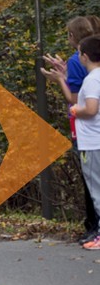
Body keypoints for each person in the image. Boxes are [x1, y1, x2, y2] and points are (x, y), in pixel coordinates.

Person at [41, 16, 99, 244]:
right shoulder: (84, 63)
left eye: (68, 34)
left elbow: (78, 100)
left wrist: (60, 80)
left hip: (90, 134)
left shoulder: (80, 61)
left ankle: (94, 228)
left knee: (93, 183)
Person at [71, 35, 100, 250]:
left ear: (86, 56)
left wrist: (74, 110)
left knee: (96, 189)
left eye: (80, 52)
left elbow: (90, 109)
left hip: (92, 141)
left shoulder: (91, 79)